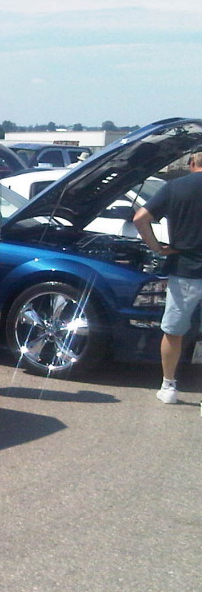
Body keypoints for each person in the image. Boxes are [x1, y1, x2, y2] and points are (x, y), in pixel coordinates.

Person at [132, 151, 202, 404]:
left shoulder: (175, 187)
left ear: (191, 163)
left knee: (174, 331)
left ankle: (169, 386)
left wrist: (158, 248)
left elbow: (140, 219)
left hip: (185, 269)